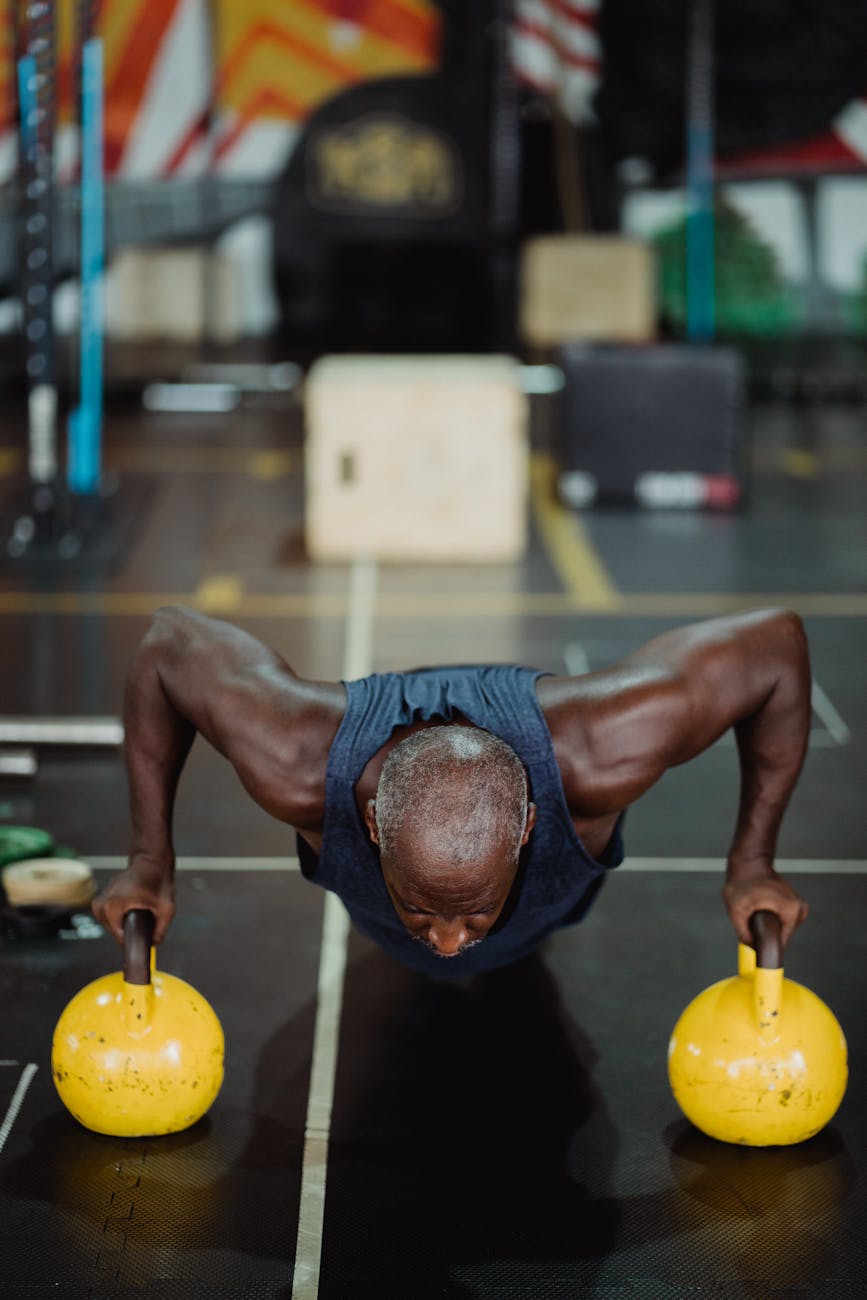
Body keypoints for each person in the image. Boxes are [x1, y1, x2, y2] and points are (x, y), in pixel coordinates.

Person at [93, 605, 811, 974]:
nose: (444, 943)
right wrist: (149, 859)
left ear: (528, 826)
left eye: (470, 913)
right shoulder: (295, 762)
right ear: (371, 825)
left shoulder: (603, 754)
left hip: (544, 760)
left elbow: (774, 642)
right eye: (419, 906)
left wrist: (752, 861)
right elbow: (167, 641)